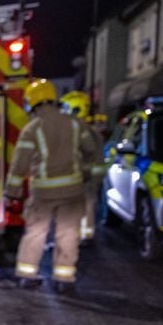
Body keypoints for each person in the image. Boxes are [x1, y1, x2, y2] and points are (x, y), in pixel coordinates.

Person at [6, 79, 100, 294]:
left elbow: (20, 162)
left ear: (33, 102)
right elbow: (90, 149)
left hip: (43, 192)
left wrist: (12, 190)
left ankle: (27, 275)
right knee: (67, 233)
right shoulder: (75, 124)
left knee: (36, 233)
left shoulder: (32, 128)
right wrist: (84, 172)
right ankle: (64, 279)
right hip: (72, 190)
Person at [60, 91, 107, 245]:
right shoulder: (85, 129)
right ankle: (81, 235)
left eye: (67, 108)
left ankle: (83, 236)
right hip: (86, 176)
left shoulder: (83, 130)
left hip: (86, 177)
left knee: (85, 206)